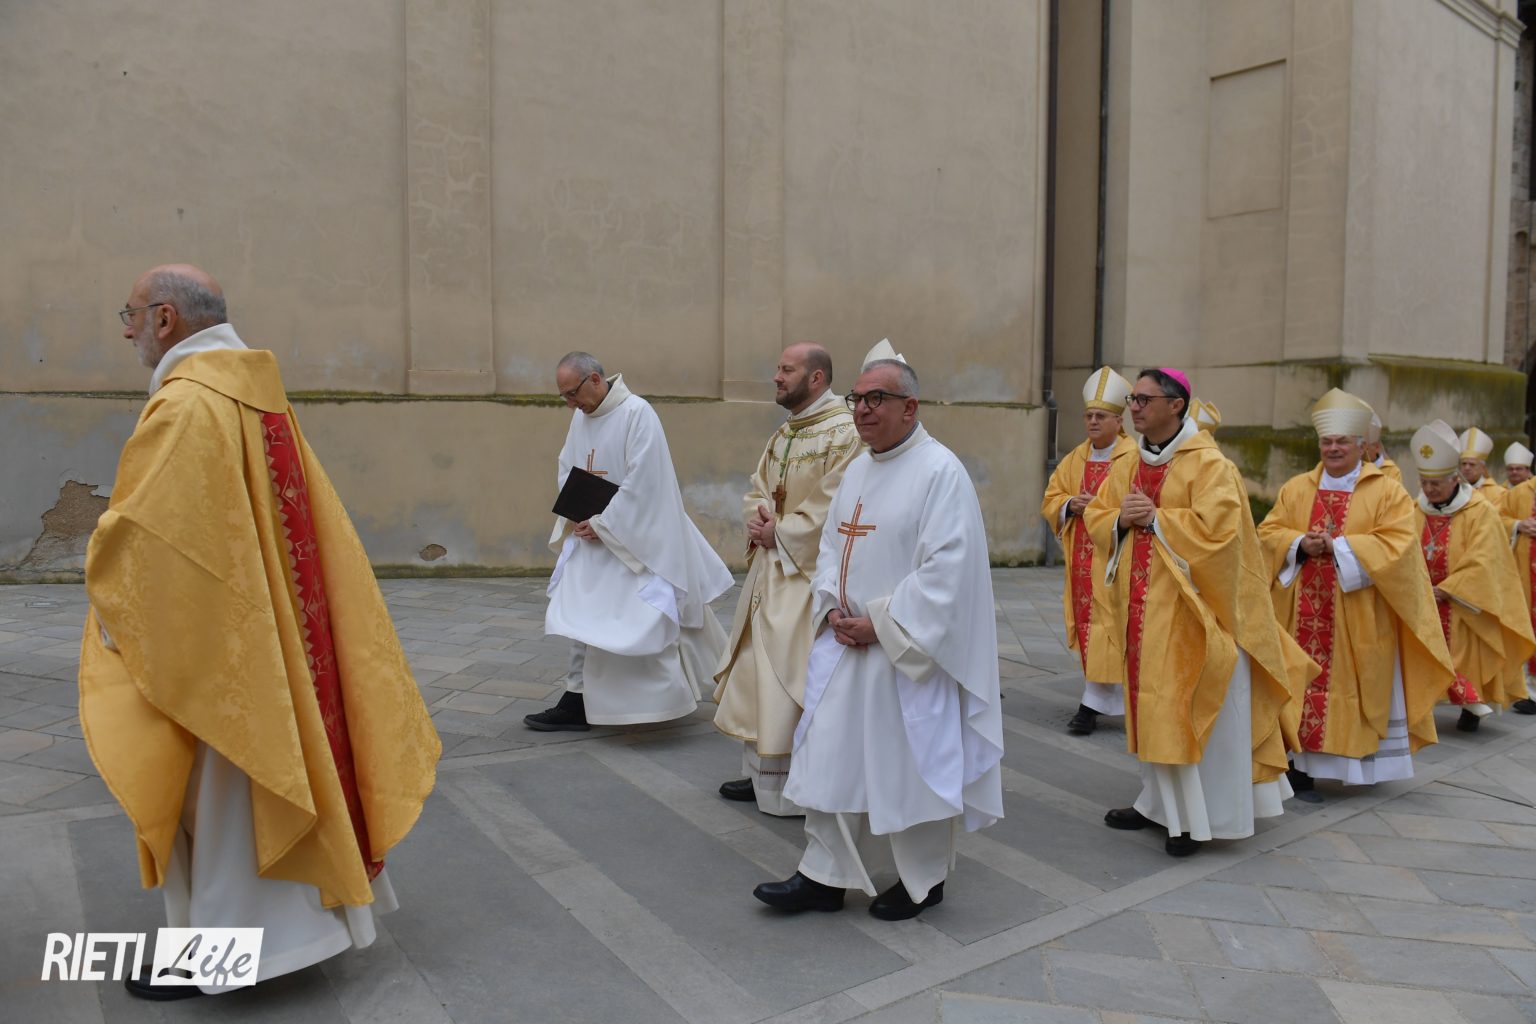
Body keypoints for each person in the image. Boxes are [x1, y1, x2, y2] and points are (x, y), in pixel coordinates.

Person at [80, 265, 440, 1000]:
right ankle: (306, 933)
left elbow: (150, 539)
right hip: (278, 631)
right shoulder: (257, 392)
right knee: (275, 780)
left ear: (167, 319)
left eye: (132, 315)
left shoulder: (187, 404)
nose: (127, 331)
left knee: (224, 802)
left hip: (225, 647)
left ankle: (220, 954)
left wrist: (110, 585)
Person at [751, 351, 1003, 920]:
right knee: (829, 755)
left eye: (876, 399)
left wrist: (881, 624)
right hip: (845, 646)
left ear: (909, 407)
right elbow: (830, 549)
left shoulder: (940, 472)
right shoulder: (859, 469)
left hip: (906, 653)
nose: (862, 410)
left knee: (908, 766)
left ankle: (922, 880)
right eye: (857, 399)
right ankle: (823, 875)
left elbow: (949, 571)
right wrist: (830, 606)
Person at [1082, 368, 1306, 857]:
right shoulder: (1128, 462)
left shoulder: (1210, 465)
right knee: (1153, 708)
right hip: (1143, 611)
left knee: (1189, 714)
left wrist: (1158, 519)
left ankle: (1195, 820)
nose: (1134, 407)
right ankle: (1156, 803)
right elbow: (1099, 513)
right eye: (1132, 399)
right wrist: (1119, 519)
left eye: (1143, 399)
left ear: (1176, 404)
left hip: (1198, 619)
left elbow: (1222, 536)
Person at [1256, 391, 1450, 796]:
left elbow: (1399, 547)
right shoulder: (1296, 488)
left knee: (1354, 689)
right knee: (1299, 682)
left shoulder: (1387, 492)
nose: (1333, 448)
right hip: (1300, 611)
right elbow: (1268, 533)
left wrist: (1339, 547)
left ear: (1362, 445)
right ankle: (1299, 764)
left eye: (1342, 442)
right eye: (1327, 442)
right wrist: (1299, 543)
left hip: (1358, 615)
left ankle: (1349, 765)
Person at [530, 353, 732, 731]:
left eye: (572, 393)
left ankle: (661, 701)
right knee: (583, 618)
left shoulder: (638, 413)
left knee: (647, 620)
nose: (570, 404)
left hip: (634, 543)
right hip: (592, 537)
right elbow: (567, 468)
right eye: (564, 397)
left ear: (594, 379)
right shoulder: (581, 417)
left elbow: (647, 481)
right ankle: (576, 699)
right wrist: (578, 514)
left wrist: (605, 524)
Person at [713, 342, 862, 814]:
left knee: (791, 677)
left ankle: (793, 786)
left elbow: (834, 502)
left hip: (806, 577)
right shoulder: (785, 432)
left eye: (786, 370)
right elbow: (758, 488)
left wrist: (782, 532)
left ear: (816, 378)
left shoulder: (845, 433)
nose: (776, 377)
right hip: (770, 570)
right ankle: (761, 774)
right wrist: (760, 521)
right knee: (757, 671)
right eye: (778, 368)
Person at [1411, 421, 1536, 732]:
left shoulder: (1479, 510)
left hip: (1462, 602)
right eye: (1424, 483)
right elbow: (1404, 547)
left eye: (1435, 484)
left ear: (1454, 479)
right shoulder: (1417, 508)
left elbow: (1486, 558)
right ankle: (1419, 706)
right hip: (1422, 598)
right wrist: (1416, 583)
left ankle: (1470, 705)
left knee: (1466, 657)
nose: (1429, 490)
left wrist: (1448, 589)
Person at [1040, 367, 1136, 735]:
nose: (1093, 422)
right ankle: (1100, 696)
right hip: (1081, 560)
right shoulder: (1075, 458)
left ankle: (1094, 703)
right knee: (1090, 627)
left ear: (1118, 421)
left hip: (1116, 557)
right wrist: (1069, 504)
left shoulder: (1133, 457)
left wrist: (1099, 510)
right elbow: (1052, 497)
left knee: (1111, 627)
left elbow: (1140, 501)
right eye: (1089, 416)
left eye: (1101, 416)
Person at [1497, 465, 1536, 715]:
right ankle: (1529, 692)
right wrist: (1518, 525)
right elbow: (1496, 519)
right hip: (1524, 576)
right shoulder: (1520, 493)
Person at [1459, 427, 1507, 502]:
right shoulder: (1452, 490)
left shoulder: (1498, 493)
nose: (1467, 468)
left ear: (1482, 467)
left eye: (1472, 464)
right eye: (1464, 464)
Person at [1365, 411, 1403, 486]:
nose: (1361, 453)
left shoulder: (1391, 471)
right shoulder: (1354, 468)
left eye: (1366, 449)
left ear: (1376, 447)